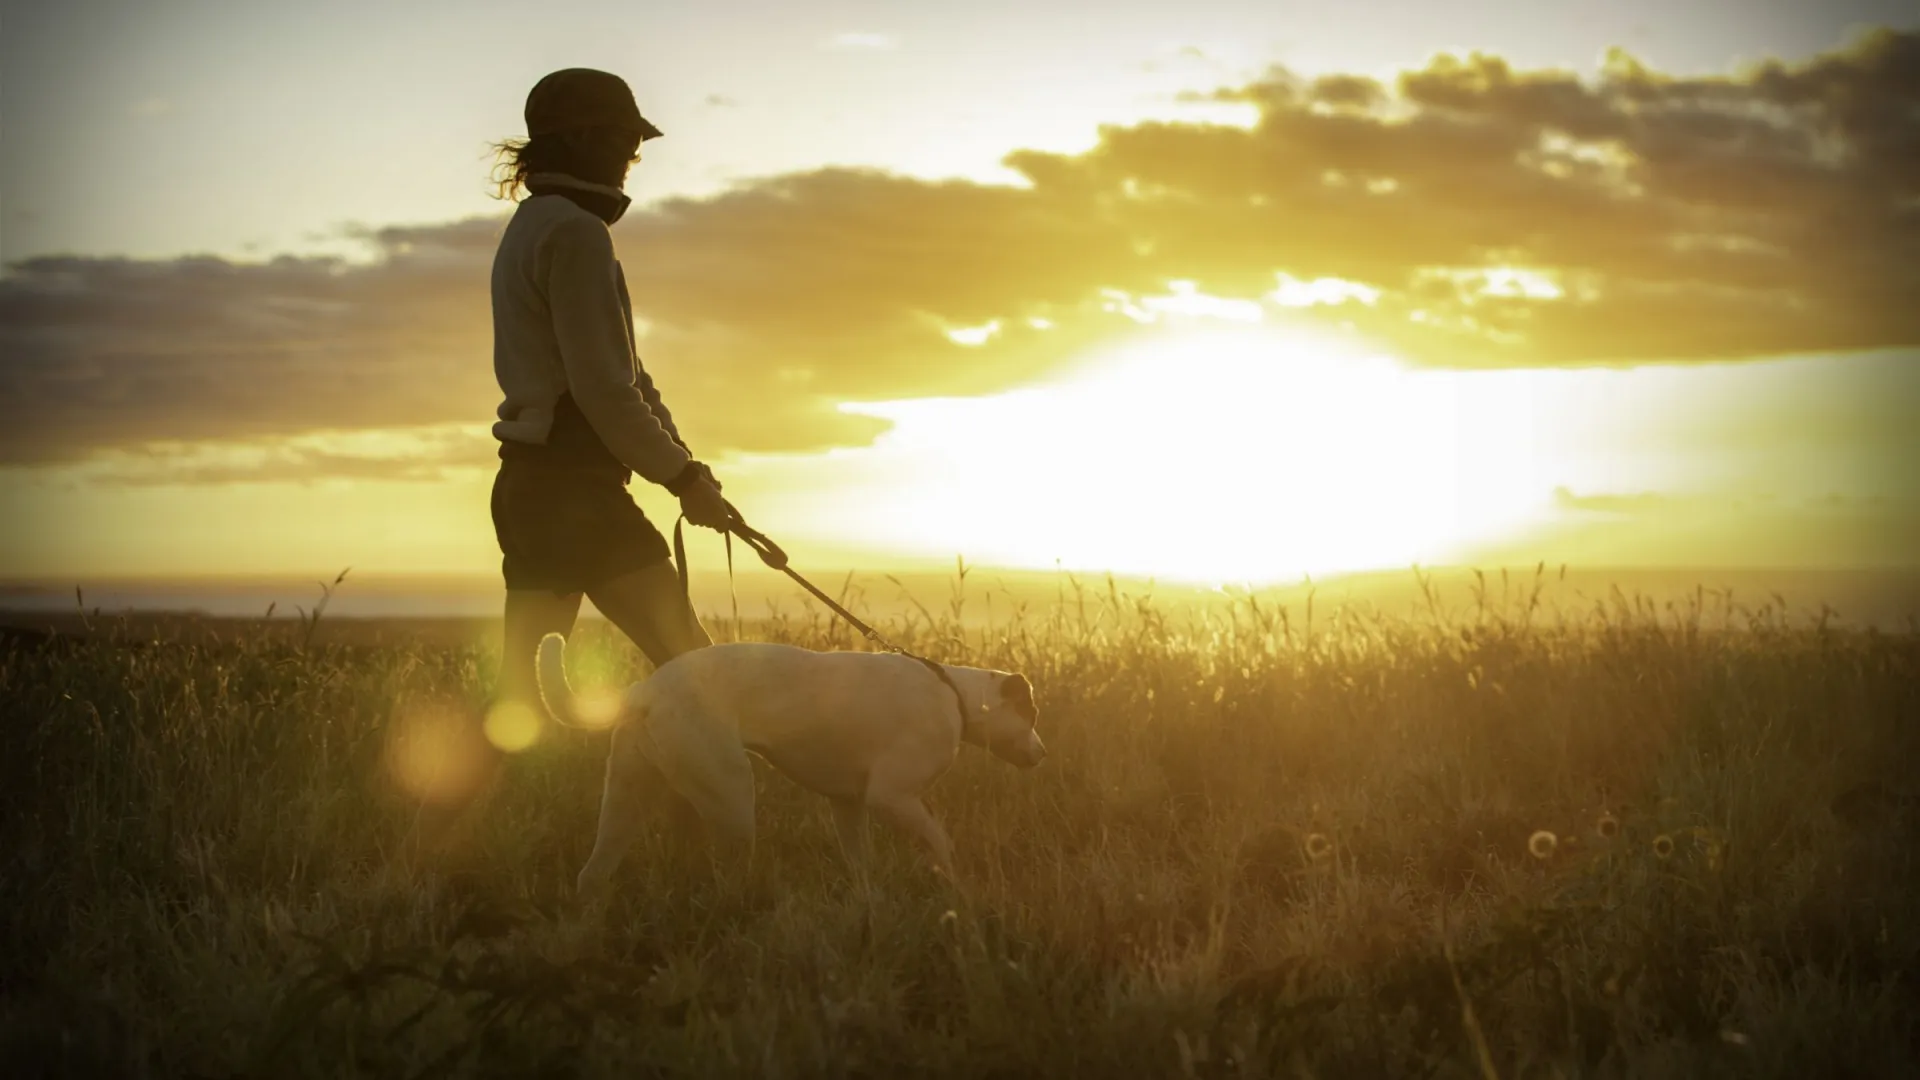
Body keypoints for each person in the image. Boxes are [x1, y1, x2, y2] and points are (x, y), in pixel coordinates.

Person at [487, 68, 733, 711]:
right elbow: (604, 387)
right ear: (584, 140)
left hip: (529, 491)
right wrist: (682, 478)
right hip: (577, 495)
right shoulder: (577, 233)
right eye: (625, 139)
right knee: (701, 682)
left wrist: (686, 464)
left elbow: (628, 376)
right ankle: (687, 809)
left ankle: (430, 818)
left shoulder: (530, 227)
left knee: (518, 702)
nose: (634, 155)